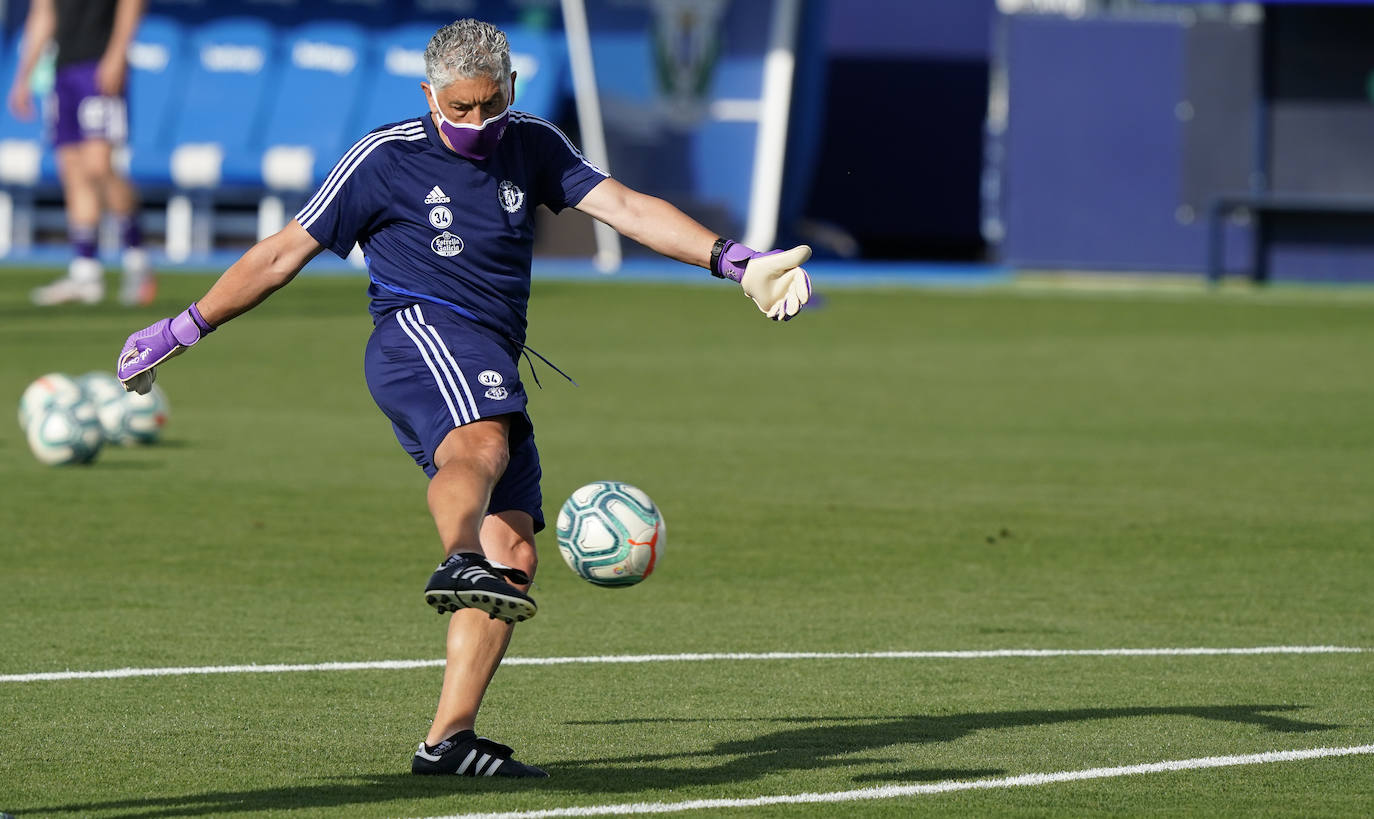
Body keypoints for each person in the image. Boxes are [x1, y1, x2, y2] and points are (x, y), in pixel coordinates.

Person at [115, 18, 810, 779]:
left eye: (490, 106)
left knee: (512, 550)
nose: (477, 123)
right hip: (420, 336)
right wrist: (184, 327)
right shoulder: (383, 158)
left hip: (490, 355)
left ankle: (447, 740)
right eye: (460, 109)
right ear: (429, 96)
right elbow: (284, 252)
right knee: (478, 447)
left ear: (510, 88)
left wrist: (736, 261)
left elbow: (627, 208)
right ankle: (454, 559)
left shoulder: (535, 143)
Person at [7, 0, 155, 307]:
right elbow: (43, 14)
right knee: (72, 170)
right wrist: (24, 76)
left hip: (99, 63)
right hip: (63, 69)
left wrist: (118, 53)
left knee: (99, 166)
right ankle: (85, 272)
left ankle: (137, 259)